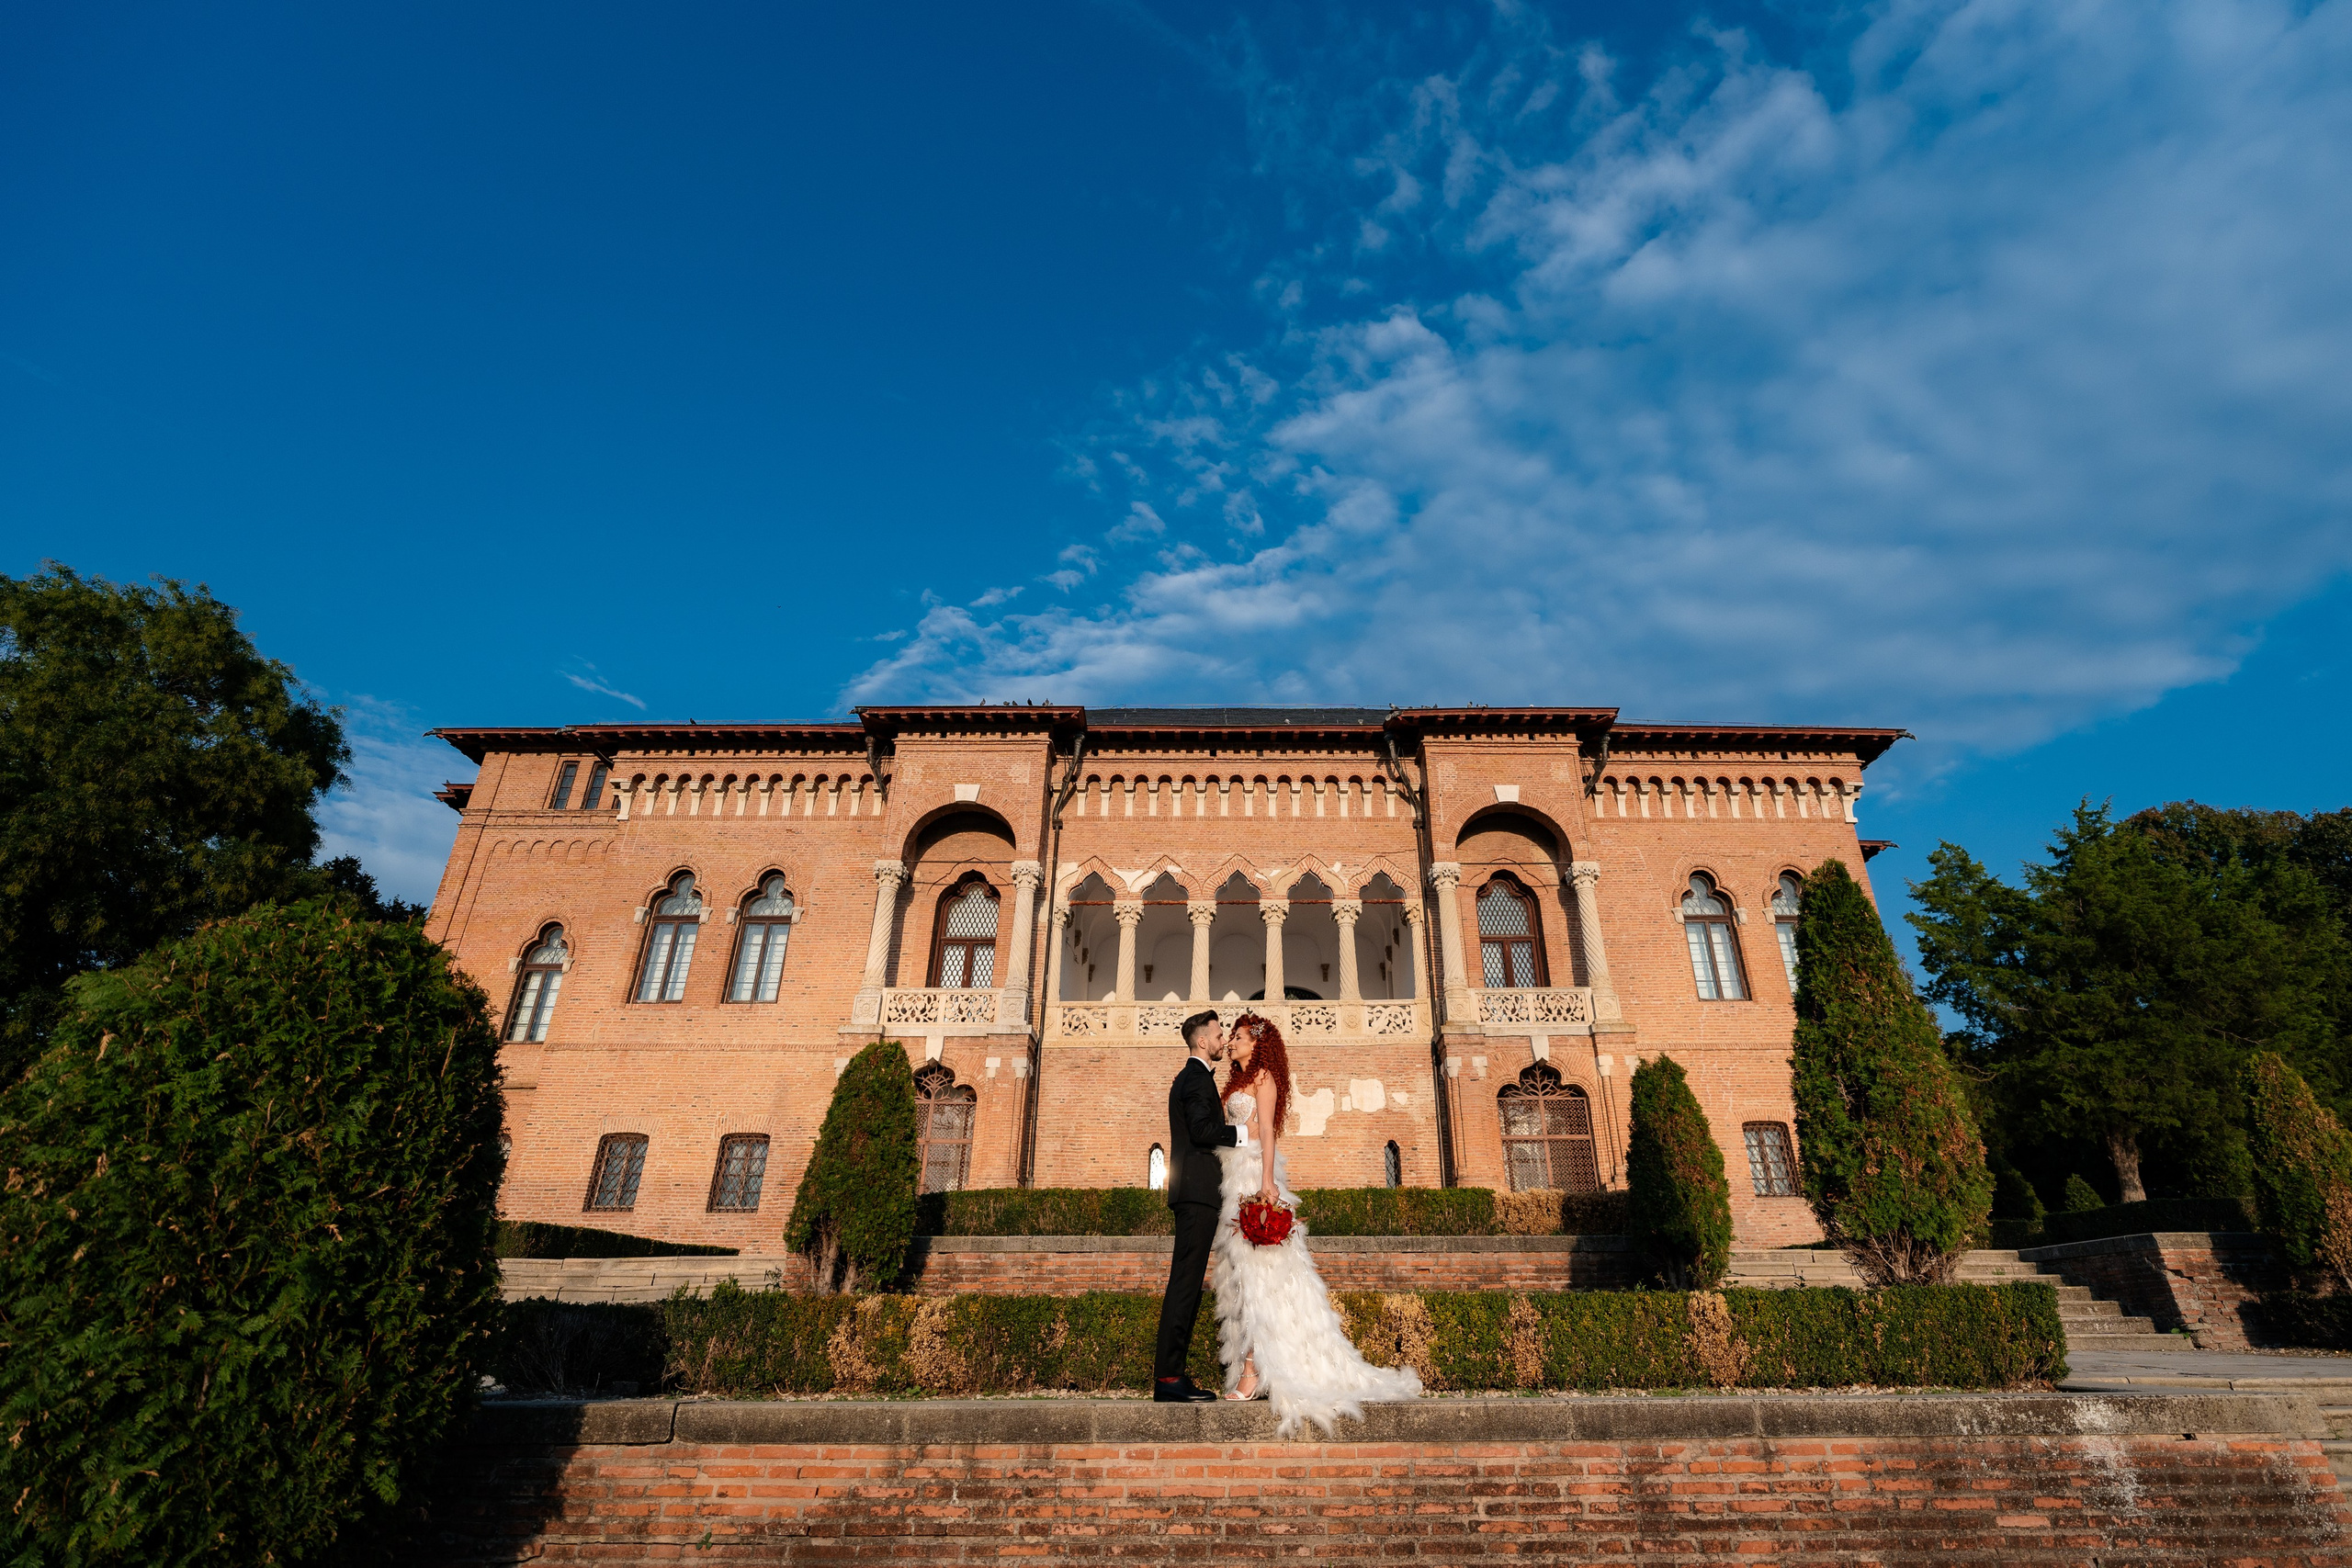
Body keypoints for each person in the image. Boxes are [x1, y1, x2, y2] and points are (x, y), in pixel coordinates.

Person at [1212, 1011, 1422, 1436]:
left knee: (1261, 1277)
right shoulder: (1232, 1083)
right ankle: (1251, 1366)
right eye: (1230, 1037)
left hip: (1254, 1175)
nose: (1231, 1042)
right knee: (1239, 1277)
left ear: (1256, 1043)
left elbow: (1267, 1132)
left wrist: (1268, 1182)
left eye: (1236, 1037)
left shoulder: (1263, 1078)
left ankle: (1253, 1374)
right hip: (1230, 1179)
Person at [1151, 1009, 1238, 1402]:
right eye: (1219, 1035)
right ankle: (1169, 1379)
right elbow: (1203, 1131)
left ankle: (1171, 1376)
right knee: (1185, 1285)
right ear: (1202, 1041)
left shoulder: (1192, 1078)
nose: (1223, 1040)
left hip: (1197, 1193)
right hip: (1198, 1194)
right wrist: (1243, 1133)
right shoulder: (1195, 1079)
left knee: (1186, 1283)